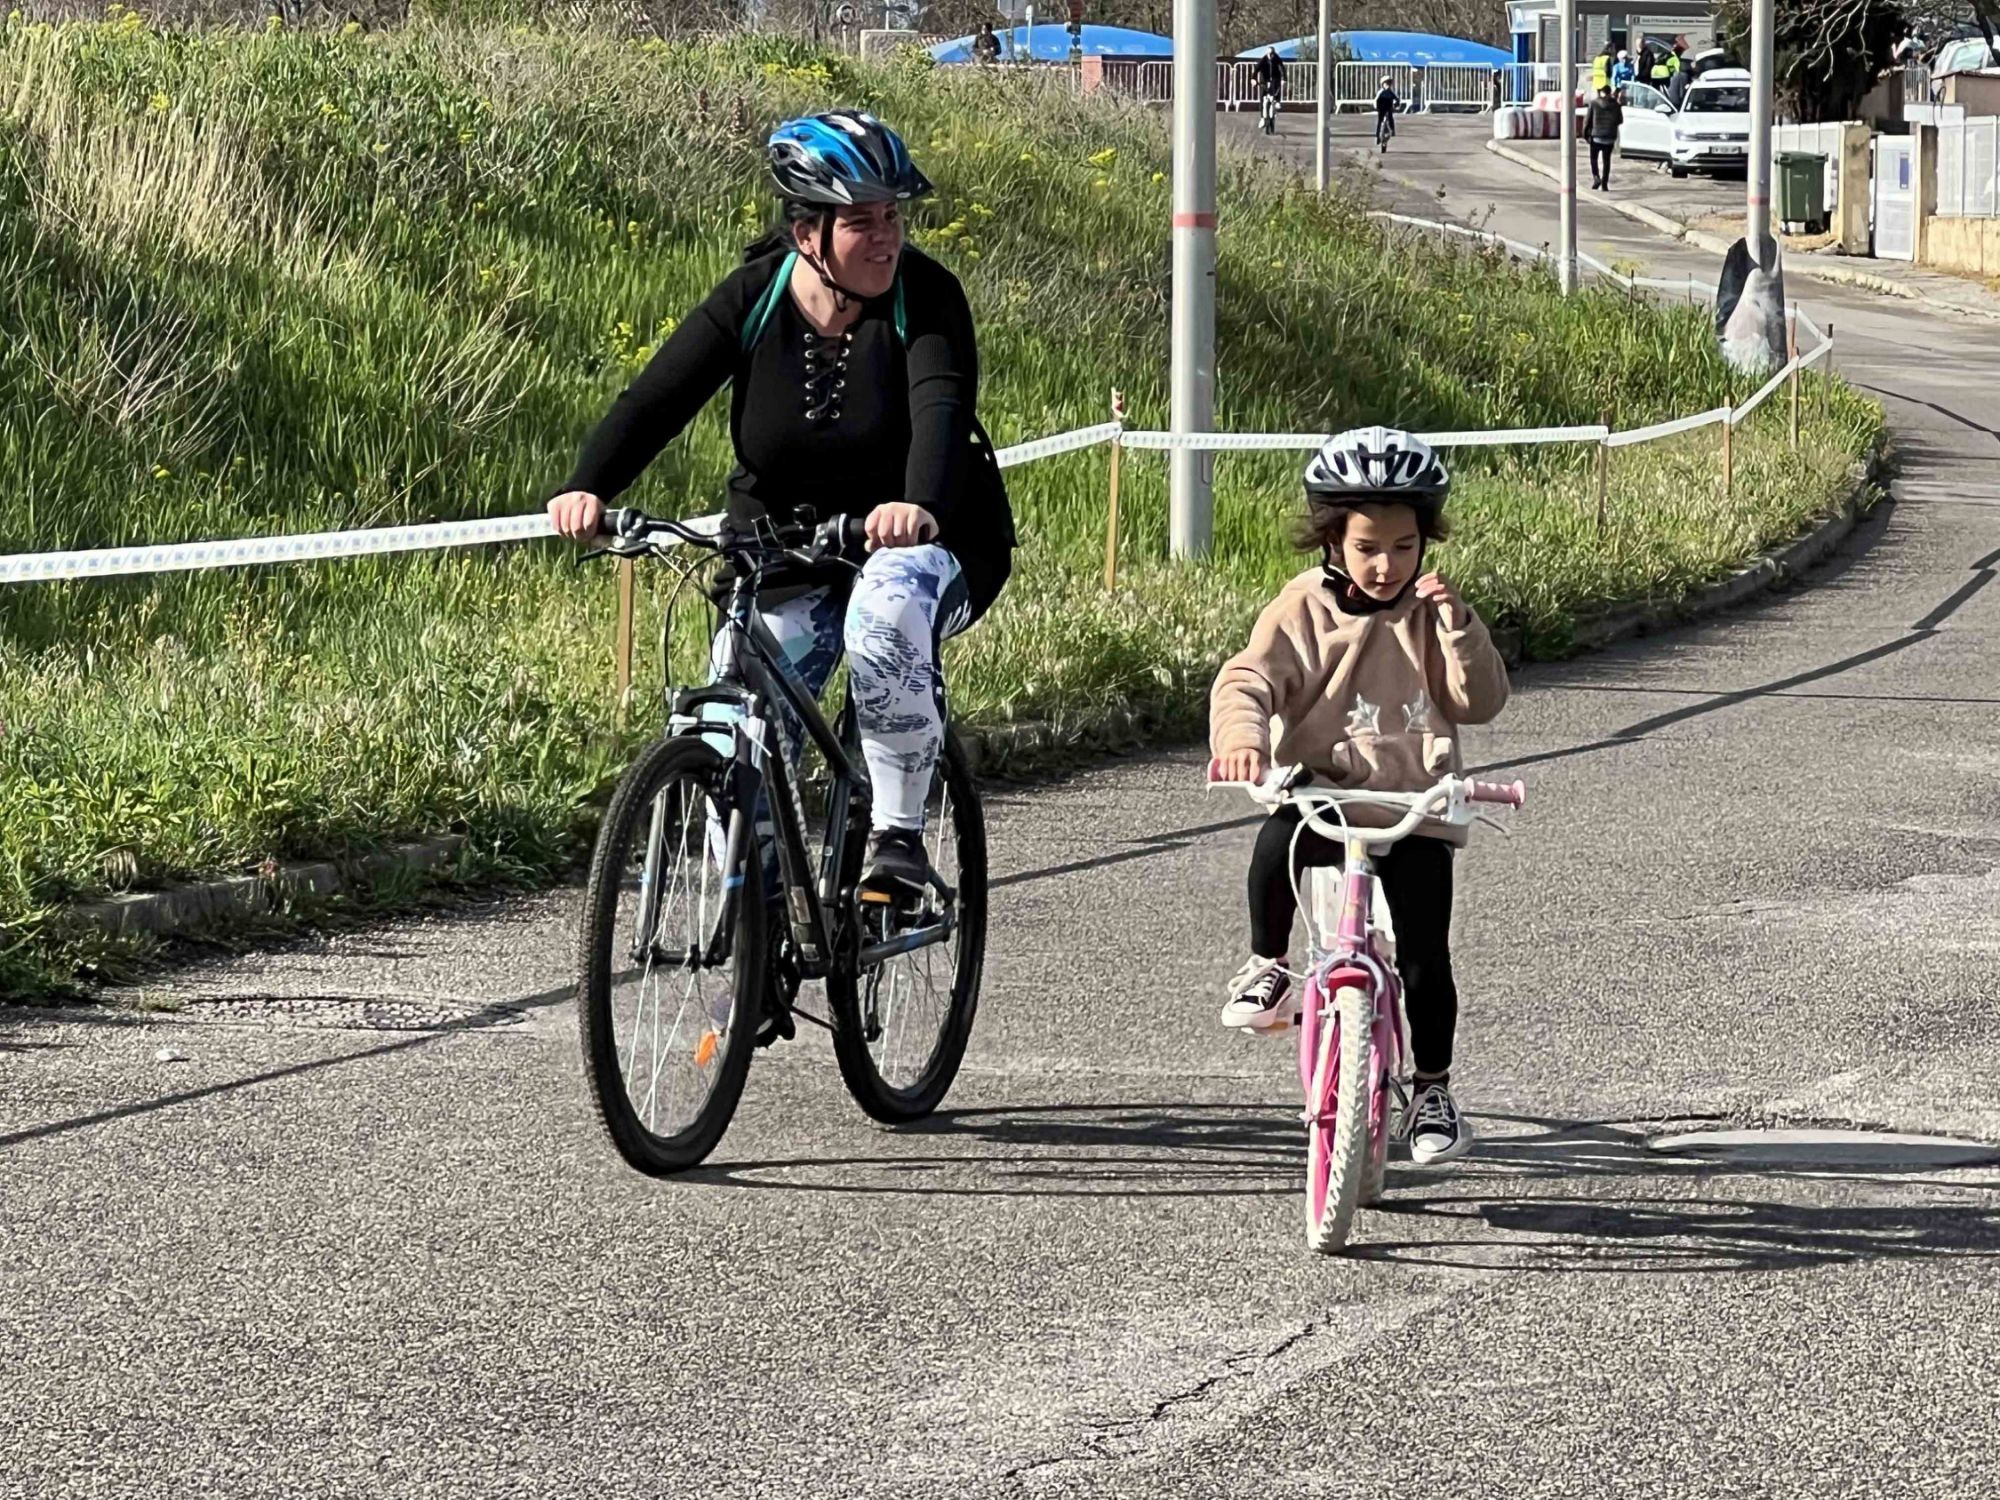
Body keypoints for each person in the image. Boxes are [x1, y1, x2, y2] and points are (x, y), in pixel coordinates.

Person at [546, 110, 1014, 902]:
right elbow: (657, 399)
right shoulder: (755, 297)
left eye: (893, 217)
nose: (886, 238)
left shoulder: (927, 297)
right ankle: (759, 917)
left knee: (885, 614)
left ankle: (897, 840)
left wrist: (918, 506)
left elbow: (941, 407)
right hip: (785, 549)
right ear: (806, 234)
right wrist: (587, 485)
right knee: (731, 725)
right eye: (861, 222)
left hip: (923, 542)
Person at [1208, 428, 1510, 1165]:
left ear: (1426, 540)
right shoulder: (1302, 607)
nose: (1386, 565)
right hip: (1325, 797)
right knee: (1278, 839)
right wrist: (1242, 739)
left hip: (1415, 812)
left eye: (1405, 546)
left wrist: (1461, 628)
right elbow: (1247, 678)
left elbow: (1479, 702)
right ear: (1332, 541)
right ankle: (1269, 965)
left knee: (1426, 957)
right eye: (1367, 547)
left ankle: (1432, 1090)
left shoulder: (1433, 613)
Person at [1586, 83, 1623, 191]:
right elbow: (1620, 120)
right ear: (1610, 92)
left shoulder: (1594, 103)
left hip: (1596, 136)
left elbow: (1588, 120)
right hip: (1610, 137)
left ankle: (1596, 177)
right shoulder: (1616, 105)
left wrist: (1586, 134)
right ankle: (1604, 184)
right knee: (1606, 161)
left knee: (1593, 159)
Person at [1256, 45, 1285, 134]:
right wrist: (1253, 79)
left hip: (1274, 80)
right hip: (1264, 82)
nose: (1270, 55)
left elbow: (1282, 68)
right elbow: (1256, 69)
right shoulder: (1264, 59)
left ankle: (1278, 101)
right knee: (1262, 98)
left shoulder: (1277, 59)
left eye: (1272, 54)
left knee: (1277, 89)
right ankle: (1262, 117)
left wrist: (1284, 79)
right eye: (1269, 53)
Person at [1374, 76, 1399, 152]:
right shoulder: (1381, 92)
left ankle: (1392, 130)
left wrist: (1396, 105)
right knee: (1380, 121)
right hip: (1381, 108)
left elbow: (1397, 99)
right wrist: (1376, 106)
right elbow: (1376, 100)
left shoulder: (1391, 92)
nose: (1388, 85)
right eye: (1386, 83)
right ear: (1382, 84)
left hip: (1389, 108)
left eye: (1389, 83)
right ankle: (1378, 136)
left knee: (1390, 118)